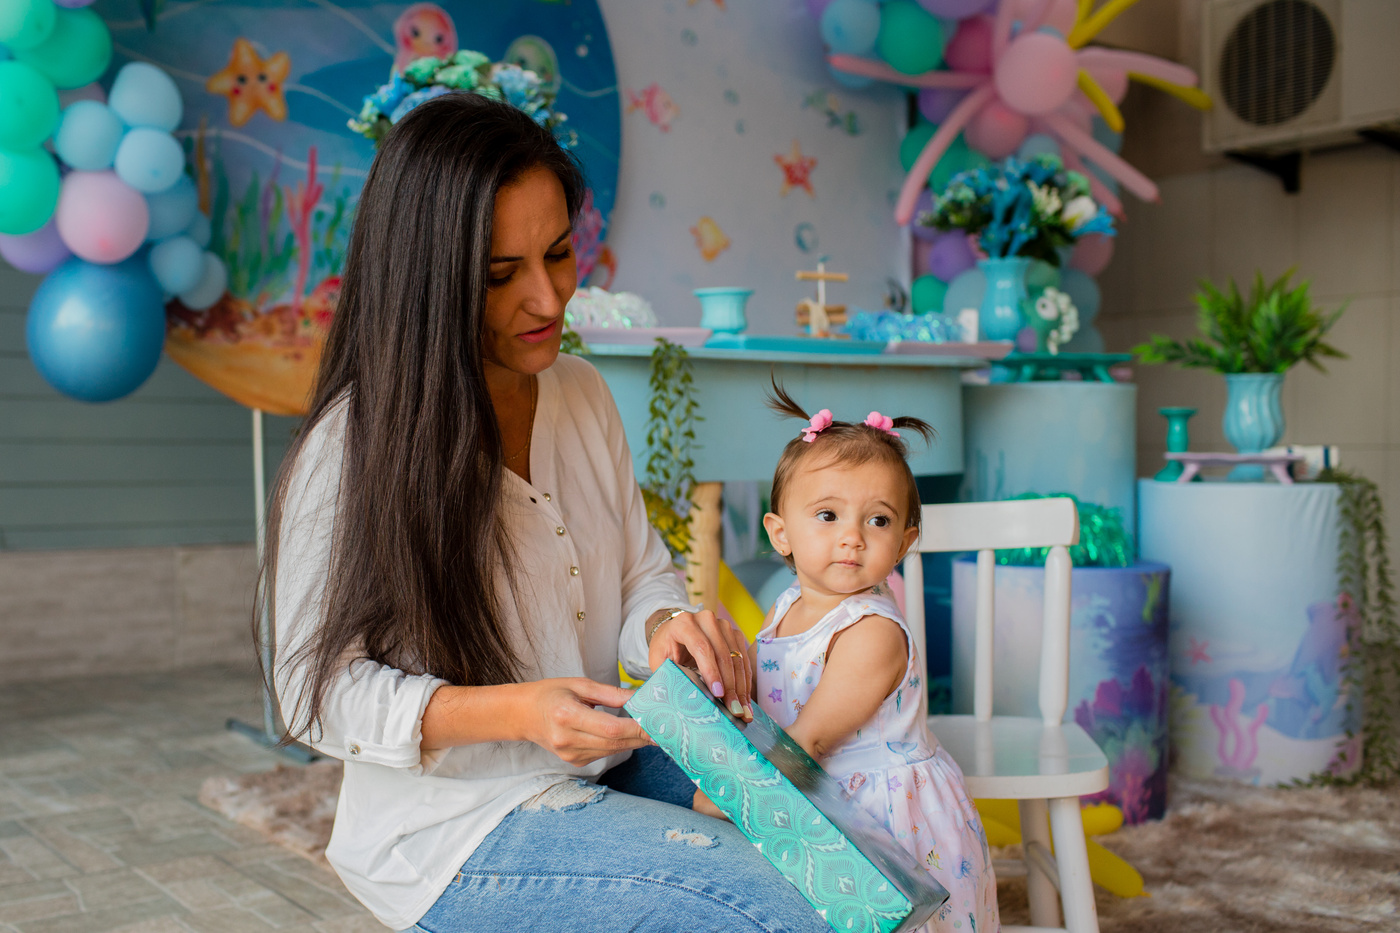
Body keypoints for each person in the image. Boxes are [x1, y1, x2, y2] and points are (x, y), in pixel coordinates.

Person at [264, 93, 831, 933]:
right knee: (773, 909)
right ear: (428, 283)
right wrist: (521, 711)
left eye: (559, 254)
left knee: (832, 850)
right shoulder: (351, 448)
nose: (546, 298)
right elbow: (314, 695)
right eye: (501, 275)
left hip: (591, 772)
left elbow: (639, 571)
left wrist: (664, 626)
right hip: (452, 830)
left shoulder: (582, 392)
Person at [724, 384, 1000, 932]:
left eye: (878, 521)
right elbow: (760, 690)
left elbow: (809, 741)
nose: (852, 537)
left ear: (904, 543)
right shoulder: (786, 606)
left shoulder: (872, 632)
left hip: (885, 818)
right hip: (817, 792)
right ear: (781, 533)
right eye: (828, 515)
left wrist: (729, 790)